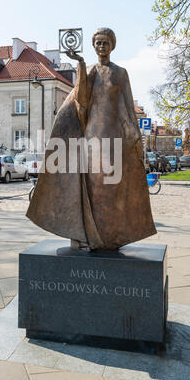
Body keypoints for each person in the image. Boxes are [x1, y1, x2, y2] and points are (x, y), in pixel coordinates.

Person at [27, 28, 156, 250]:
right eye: (98, 43)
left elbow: (127, 107)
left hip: (113, 139)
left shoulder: (120, 73)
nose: (101, 46)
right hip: (91, 138)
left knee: (110, 189)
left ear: (112, 45)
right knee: (92, 187)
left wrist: (134, 135)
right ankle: (86, 236)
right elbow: (81, 102)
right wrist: (81, 65)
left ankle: (109, 238)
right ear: (93, 45)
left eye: (105, 42)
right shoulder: (91, 72)